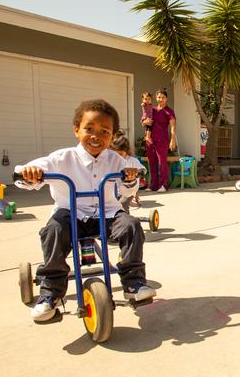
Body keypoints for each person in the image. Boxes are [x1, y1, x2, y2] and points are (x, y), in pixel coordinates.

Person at [15, 99, 155, 322]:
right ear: (76, 130)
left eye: (104, 131)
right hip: (70, 213)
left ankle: (133, 283)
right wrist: (29, 173)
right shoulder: (61, 158)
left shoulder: (116, 160)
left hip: (106, 214)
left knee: (131, 225)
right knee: (53, 230)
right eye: (89, 129)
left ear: (112, 135)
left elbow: (135, 175)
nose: (96, 136)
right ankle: (51, 292)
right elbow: (29, 172)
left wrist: (131, 176)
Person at [142, 88, 176, 193]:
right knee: (152, 162)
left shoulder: (169, 111)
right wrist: (145, 122)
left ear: (166, 99)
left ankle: (163, 185)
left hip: (162, 140)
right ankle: (153, 185)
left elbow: (173, 127)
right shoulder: (152, 109)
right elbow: (143, 121)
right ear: (156, 98)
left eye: (163, 97)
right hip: (149, 140)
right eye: (158, 97)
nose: (160, 99)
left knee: (162, 163)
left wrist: (172, 140)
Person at [110, 128, 147, 211]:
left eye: (120, 154)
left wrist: (138, 172)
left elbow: (143, 169)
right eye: (114, 154)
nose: (117, 157)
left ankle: (125, 219)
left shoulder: (132, 161)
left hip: (128, 191)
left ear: (126, 151)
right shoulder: (111, 161)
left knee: (122, 206)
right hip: (114, 191)